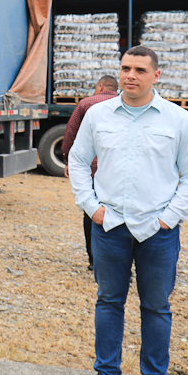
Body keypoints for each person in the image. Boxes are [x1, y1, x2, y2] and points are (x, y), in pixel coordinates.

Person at [69, 46, 188, 375]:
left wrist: (170, 217)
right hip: (110, 227)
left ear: (156, 75)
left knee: (156, 308)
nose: (131, 75)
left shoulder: (178, 120)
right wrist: (92, 207)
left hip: (157, 231)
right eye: (126, 68)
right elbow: (78, 161)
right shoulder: (98, 114)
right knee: (109, 301)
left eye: (140, 70)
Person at [61, 75, 119, 270]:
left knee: (92, 212)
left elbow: (71, 133)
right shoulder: (126, 104)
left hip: (92, 169)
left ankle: (94, 260)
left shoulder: (87, 104)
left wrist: (68, 159)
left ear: (100, 86)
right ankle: (119, 261)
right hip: (117, 170)